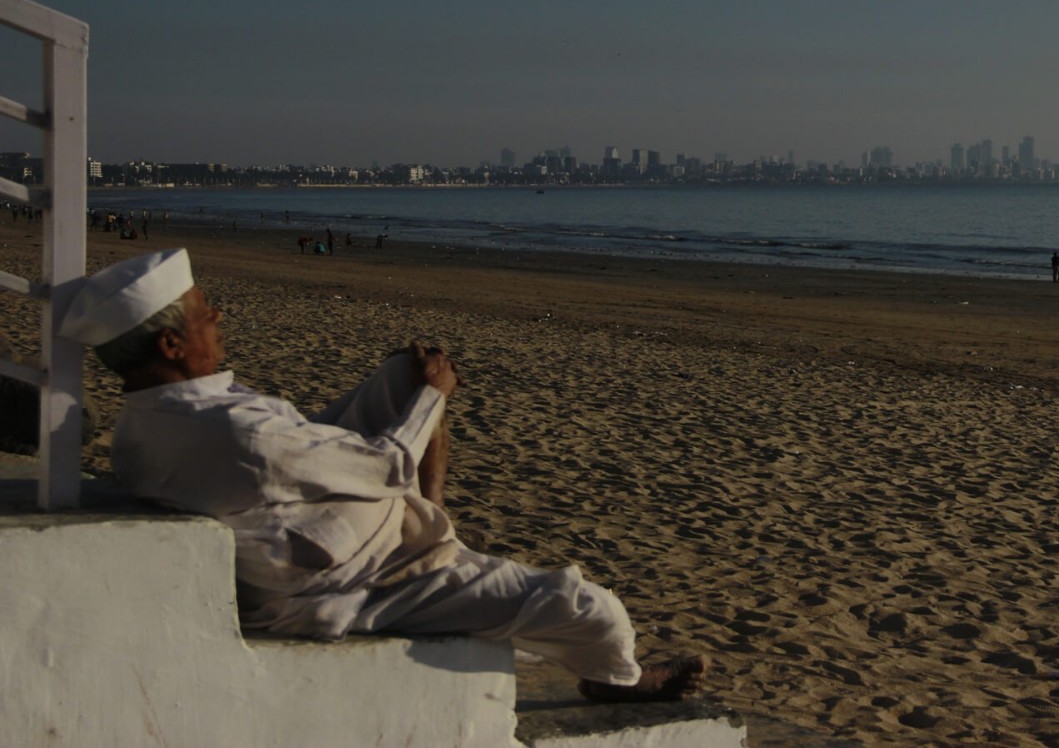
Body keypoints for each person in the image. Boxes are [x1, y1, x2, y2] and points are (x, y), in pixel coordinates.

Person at [58, 249, 706, 703]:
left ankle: (433, 515)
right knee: (594, 610)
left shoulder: (145, 425)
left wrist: (410, 388)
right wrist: (435, 396)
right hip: (360, 575)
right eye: (206, 311)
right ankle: (615, 680)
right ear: (171, 346)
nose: (219, 317)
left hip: (306, 523)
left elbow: (296, 457)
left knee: (401, 375)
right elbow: (382, 464)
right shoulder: (234, 430)